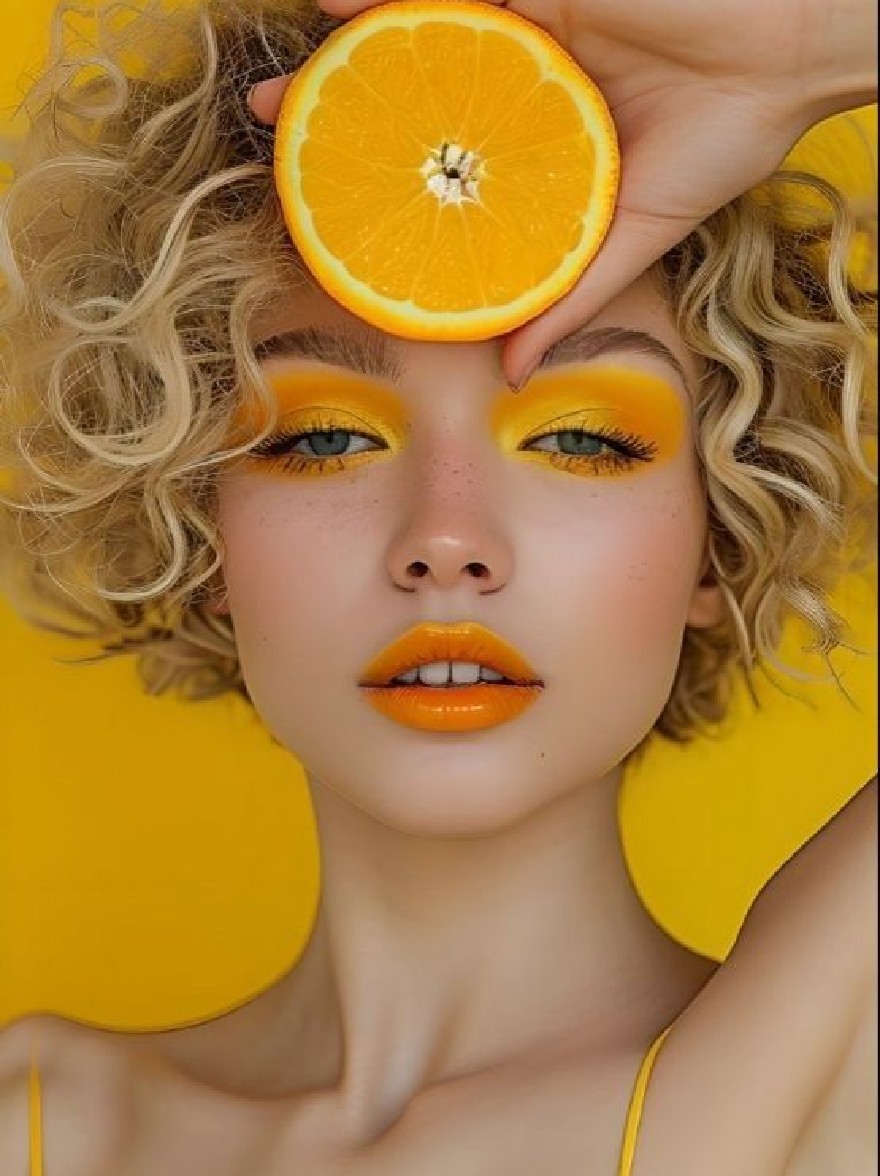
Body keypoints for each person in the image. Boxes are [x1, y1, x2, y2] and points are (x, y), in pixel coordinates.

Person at [0, 0, 876, 1174]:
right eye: (322, 440)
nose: (447, 540)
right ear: (196, 527)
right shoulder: (39, 1125)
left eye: (582, 439)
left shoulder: (830, 1066)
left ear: (719, 534)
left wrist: (808, 42)